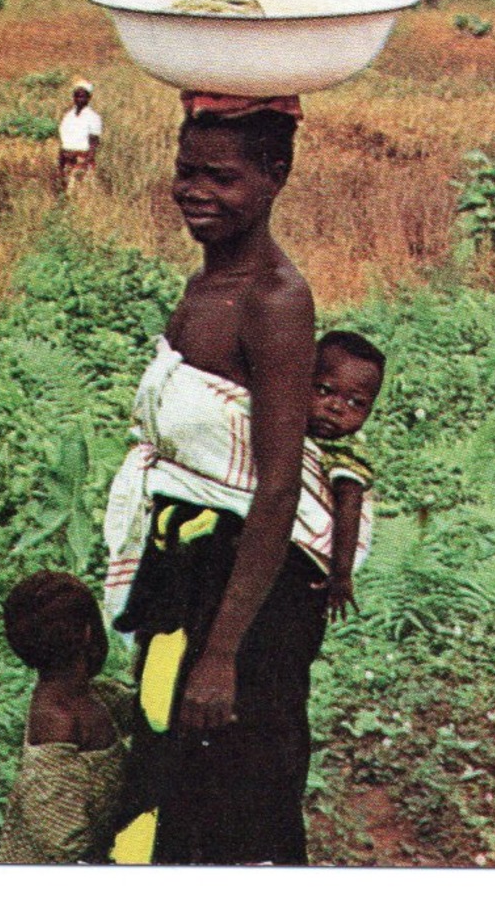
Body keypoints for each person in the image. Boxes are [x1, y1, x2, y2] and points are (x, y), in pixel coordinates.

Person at [101, 92, 331, 866]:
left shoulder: (274, 300)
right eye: (184, 171)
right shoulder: (204, 287)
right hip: (188, 574)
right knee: (168, 773)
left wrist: (222, 652)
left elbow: (275, 486)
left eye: (220, 177)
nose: (194, 191)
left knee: (238, 794)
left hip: (246, 593)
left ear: (274, 176)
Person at [0, 571, 133, 865]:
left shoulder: (93, 696)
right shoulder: (56, 722)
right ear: (88, 633)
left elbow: (138, 710)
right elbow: (62, 841)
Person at [306, 330, 385, 622]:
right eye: (324, 390)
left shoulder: (345, 454)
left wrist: (340, 575)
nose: (336, 408)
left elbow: (349, 508)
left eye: (356, 403)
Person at [56, 78, 102, 193]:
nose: (79, 99)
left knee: (80, 192)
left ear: (88, 98)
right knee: (66, 191)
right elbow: (63, 139)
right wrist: (61, 158)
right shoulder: (68, 116)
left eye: (82, 96)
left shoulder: (93, 117)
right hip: (67, 157)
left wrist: (86, 163)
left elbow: (94, 141)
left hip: (82, 159)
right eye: (76, 96)